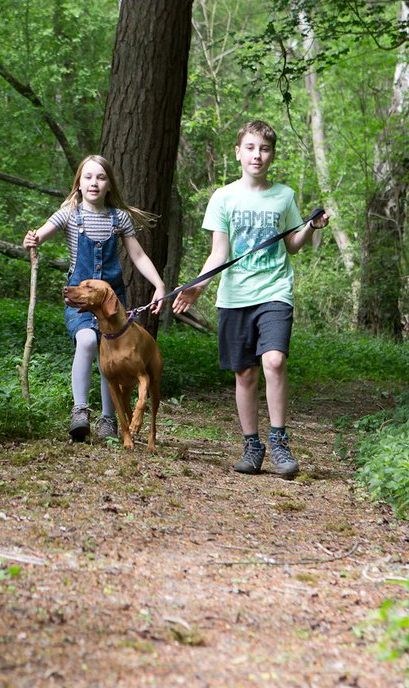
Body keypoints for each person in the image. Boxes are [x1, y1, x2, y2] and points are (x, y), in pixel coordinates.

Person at [172, 120, 329, 477]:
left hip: (274, 291)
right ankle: (252, 445)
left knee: (274, 361)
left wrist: (309, 226)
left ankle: (279, 441)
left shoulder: (284, 196)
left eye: (265, 149)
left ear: (272, 155)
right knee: (244, 373)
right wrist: (198, 286)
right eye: (251, 148)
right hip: (235, 296)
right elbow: (219, 253)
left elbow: (291, 245)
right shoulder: (223, 197)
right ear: (238, 153)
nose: (257, 155)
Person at [24, 155, 167, 442]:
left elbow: (138, 255)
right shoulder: (69, 214)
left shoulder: (119, 218)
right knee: (88, 340)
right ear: (78, 183)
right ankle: (80, 410)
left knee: (111, 354)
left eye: (101, 177)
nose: (94, 183)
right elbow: (40, 234)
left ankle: (109, 418)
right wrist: (32, 239)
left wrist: (159, 284)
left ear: (109, 185)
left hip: (111, 304)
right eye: (88, 177)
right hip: (79, 300)